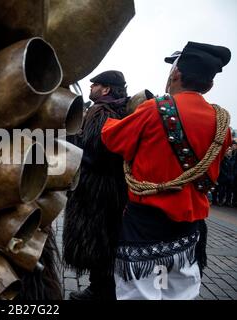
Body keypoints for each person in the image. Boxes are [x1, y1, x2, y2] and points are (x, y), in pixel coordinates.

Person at [101, 42, 232, 300]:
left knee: (138, 293)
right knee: (180, 292)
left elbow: (111, 139)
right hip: (189, 227)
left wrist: (109, 115)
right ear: (210, 85)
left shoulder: (153, 109)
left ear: (176, 74)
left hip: (146, 221)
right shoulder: (222, 123)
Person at [63, 70, 129, 300]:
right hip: (114, 188)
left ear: (106, 89)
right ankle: (103, 287)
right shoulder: (121, 110)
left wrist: (71, 142)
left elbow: (94, 154)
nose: (91, 89)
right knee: (107, 240)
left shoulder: (101, 112)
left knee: (96, 241)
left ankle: (99, 290)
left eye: (95, 85)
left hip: (96, 189)